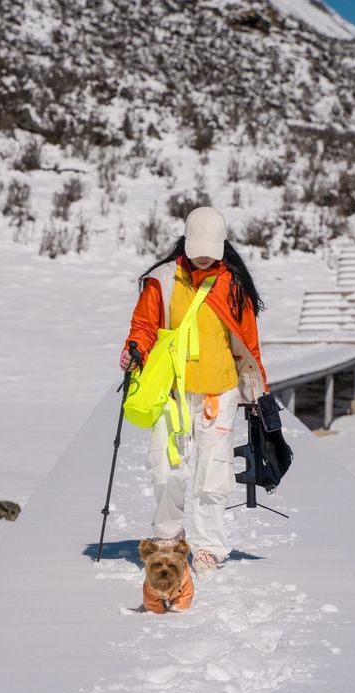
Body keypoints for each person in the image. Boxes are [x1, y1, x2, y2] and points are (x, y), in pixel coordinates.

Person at [120, 207, 268, 572]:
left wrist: (253, 391)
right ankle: (167, 537)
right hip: (171, 390)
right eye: (198, 247)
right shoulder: (164, 280)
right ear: (185, 242)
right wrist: (134, 348)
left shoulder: (233, 285)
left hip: (219, 392)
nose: (203, 256)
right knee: (166, 466)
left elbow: (247, 342)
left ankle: (208, 548)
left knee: (213, 473)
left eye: (210, 249)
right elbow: (144, 325)